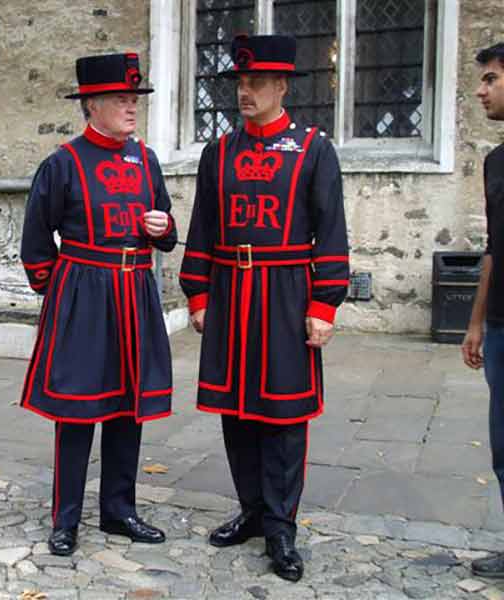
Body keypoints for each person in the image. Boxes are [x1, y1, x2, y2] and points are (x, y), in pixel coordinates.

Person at [179, 34, 349, 582]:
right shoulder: (218, 153)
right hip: (230, 292)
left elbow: (330, 230)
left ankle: (281, 527)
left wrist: (325, 304)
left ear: (281, 86)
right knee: (237, 411)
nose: (244, 92)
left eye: (255, 83)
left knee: (283, 416)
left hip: (285, 295)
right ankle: (252, 510)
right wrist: (199, 292)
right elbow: (203, 224)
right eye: (240, 83)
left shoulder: (313, 149)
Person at [20, 52, 177, 557]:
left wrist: (164, 230)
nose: (132, 108)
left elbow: (167, 229)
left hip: (135, 294)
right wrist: (59, 294)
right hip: (84, 296)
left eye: (134, 100)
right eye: (121, 100)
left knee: (128, 407)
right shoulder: (62, 164)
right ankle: (65, 519)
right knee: (78, 410)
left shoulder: (145, 160)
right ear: (91, 105)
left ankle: (119, 510)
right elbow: (36, 239)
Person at [462, 42, 504, 579]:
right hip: (500, 326)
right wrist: (476, 321)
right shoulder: (495, 162)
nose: (480, 90)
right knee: (502, 449)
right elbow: (493, 247)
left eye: (491, 79)